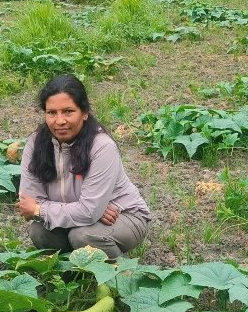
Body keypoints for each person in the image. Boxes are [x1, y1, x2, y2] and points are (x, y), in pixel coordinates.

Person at [16, 74, 152, 259]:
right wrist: (89, 210)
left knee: (83, 236)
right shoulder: (35, 143)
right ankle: (74, 272)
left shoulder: (102, 147)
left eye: (68, 111)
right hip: (88, 216)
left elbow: (38, 208)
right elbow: (29, 203)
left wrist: (43, 210)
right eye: (51, 113)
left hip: (124, 215)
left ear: (84, 112)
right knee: (39, 231)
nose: (59, 121)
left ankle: (122, 273)